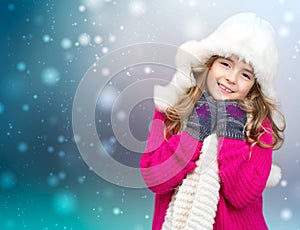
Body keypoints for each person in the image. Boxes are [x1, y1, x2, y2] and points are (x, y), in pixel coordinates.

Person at [140, 12, 286, 230]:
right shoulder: (173, 106)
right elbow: (154, 177)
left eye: (245, 75)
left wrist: (232, 131)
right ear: (209, 63)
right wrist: (194, 132)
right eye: (225, 64)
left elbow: (241, 195)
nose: (231, 78)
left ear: (255, 86)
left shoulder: (259, 125)